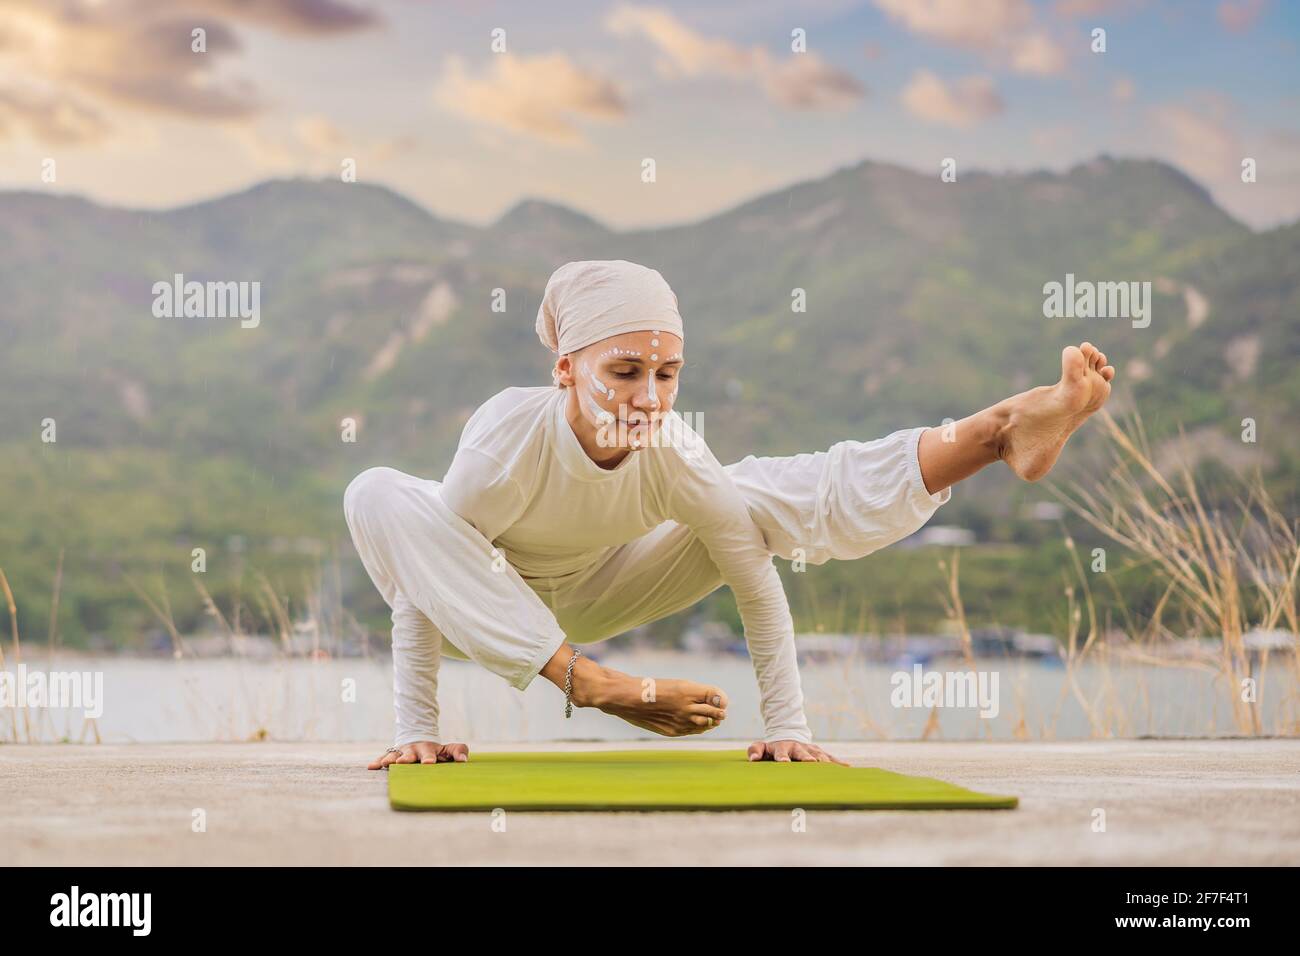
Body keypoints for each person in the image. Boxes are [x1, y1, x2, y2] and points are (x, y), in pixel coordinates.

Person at [344, 260, 1115, 768]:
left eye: (667, 373)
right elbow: (428, 573)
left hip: (608, 587)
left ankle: (992, 434)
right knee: (378, 490)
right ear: (565, 369)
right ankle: (594, 684)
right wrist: (418, 728)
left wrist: (789, 726)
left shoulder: (673, 448)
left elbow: (751, 574)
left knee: (753, 498)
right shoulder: (505, 444)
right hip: (490, 607)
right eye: (624, 372)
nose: (649, 397)